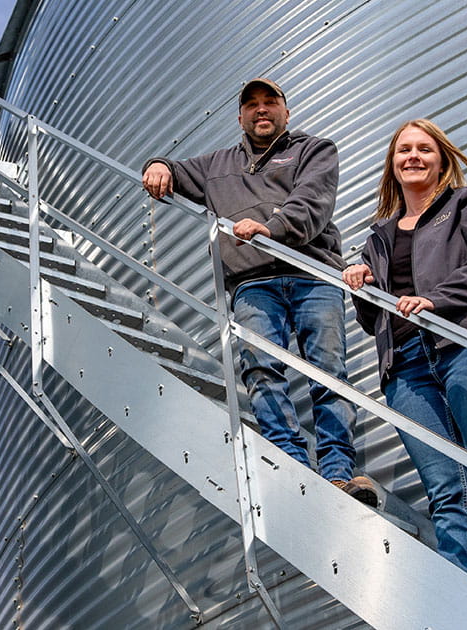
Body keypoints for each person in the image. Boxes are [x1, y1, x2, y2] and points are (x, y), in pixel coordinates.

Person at [341, 119, 467, 621]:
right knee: (445, 490)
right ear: (392, 164)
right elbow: (375, 321)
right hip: (407, 367)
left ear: (441, 158)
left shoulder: (466, 204)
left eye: (423, 149)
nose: (413, 156)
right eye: (403, 150)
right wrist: (360, 286)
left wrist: (435, 302)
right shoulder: (380, 238)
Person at [142, 78, 377, 507]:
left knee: (327, 373)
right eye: (252, 104)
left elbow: (313, 203)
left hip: (312, 275)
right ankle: (291, 463)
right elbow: (174, 171)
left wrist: (272, 228)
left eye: (271, 101)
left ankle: (339, 474)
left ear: (286, 111)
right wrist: (158, 164)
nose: (261, 109)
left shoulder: (313, 149)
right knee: (261, 370)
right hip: (252, 283)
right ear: (240, 117)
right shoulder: (218, 165)